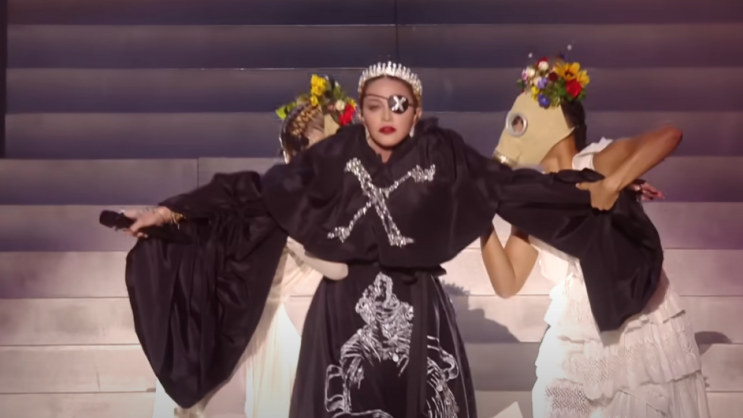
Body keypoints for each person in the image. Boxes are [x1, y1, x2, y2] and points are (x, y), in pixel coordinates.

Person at [258, 62, 666, 418]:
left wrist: (611, 184)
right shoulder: (351, 179)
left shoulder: (438, 160)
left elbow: (503, 192)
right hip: (349, 309)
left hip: (418, 303)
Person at [480, 56, 710, 417]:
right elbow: (507, 283)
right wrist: (480, 220)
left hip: (632, 322)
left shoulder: (595, 161)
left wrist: (613, 183)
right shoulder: (533, 200)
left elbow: (669, 135)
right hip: (576, 337)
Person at [123, 75, 356, 418]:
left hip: (267, 323)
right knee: (213, 406)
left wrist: (305, 242)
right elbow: (220, 198)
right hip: (230, 320)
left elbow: (341, 268)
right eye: (301, 153)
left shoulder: (333, 209)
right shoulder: (270, 196)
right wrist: (163, 214)